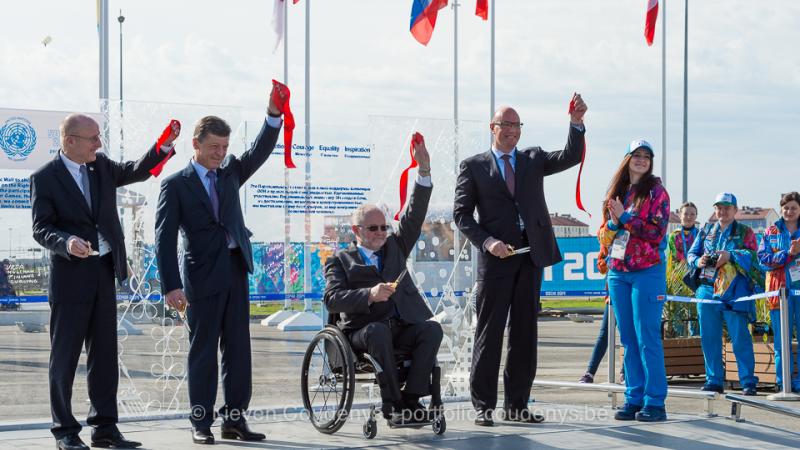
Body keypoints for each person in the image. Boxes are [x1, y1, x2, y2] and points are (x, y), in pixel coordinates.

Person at [30, 113, 177, 450]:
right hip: (69, 277)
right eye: (92, 138)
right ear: (70, 141)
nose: (99, 143)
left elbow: (137, 169)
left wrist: (164, 144)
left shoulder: (101, 167)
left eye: (99, 137)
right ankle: (65, 431)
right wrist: (66, 242)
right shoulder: (45, 178)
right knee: (64, 357)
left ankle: (105, 429)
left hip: (103, 272)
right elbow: (41, 227)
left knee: (105, 356)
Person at [155, 84, 285, 444]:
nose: (220, 153)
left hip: (234, 269)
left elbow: (260, 151)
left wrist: (273, 115)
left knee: (239, 350)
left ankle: (235, 420)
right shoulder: (175, 185)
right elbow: (164, 239)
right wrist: (171, 285)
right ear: (195, 145)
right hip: (199, 277)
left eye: (225, 148)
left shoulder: (230, 173)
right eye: (213, 147)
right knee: (203, 352)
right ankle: (200, 422)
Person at [454, 94, 587, 426]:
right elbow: (462, 216)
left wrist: (576, 123)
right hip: (496, 260)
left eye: (516, 125)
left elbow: (571, 155)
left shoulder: (533, 158)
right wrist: (488, 242)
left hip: (530, 257)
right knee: (490, 333)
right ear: (493, 127)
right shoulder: (473, 166)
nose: (512, 131)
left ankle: (517, 404)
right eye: (506, 125)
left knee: (525, 335)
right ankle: (484, 406)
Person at [323, 137, 442, 424]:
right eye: (373, 228)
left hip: (401, 325)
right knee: (377, 331)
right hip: (363, 331)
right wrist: (368, 294)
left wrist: (423, 171)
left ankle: (412, 400)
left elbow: (414, 215)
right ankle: (392, 405)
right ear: (357, 230)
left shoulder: (396, 247)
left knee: (431, 330)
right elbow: (331, 298)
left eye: (383, 227)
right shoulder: (340, 260)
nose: (380, 232)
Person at [598, 139, 670, 422]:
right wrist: (615, 223)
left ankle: (655, 401)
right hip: (618, 271)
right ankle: (634, 396)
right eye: (636, 155)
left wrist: (625, 218)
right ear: (627, 158)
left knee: (647, 337)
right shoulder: (616, 192)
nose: (641, 160)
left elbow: (656, 233)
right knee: (627, 339)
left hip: (647, 271)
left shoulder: (656, 192)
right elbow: (604, 233)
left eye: (646, 156)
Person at [687, 192, 763, 396]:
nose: (722, 211)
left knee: (739, 336)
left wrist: (731, 255)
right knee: (709, 336)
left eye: (727, 207)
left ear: (735, 210)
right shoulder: (705, 230)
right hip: (707, 287)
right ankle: (713, 380)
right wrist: (698, 261)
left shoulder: (745, 231)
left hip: (734, 289)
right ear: (714, 209)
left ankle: (748, 381)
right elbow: (691, 254)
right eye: (719, 207)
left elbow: (755, 257)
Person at [757, 191, 800, 393]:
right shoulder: (771, 231)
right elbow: (763, 260)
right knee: (781, 341)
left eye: (793, 207)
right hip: (778, 291)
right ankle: (783, 382)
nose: (789, 211)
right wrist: (788, 254)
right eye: (786, 207)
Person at [665, 202, 700, 337]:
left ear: (696, 216)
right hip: (679, 280)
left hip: (696, 278)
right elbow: (676, 257)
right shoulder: (675, 235)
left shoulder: (700, 234)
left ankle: (695, 341)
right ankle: (680, 342)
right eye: (686, 213)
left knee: (695, 312)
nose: (689, 217)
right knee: (678, 313)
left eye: (692, 214)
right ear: (680, 215)